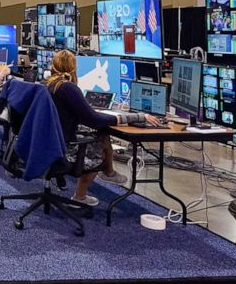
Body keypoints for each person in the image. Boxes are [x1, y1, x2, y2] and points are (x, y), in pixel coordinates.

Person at [46, 50, 159, 206]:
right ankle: (82, 194)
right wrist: (136, 117)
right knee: (99, 141)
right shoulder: (68, 88)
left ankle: (108, 172)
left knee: (100, 134)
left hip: (48, 145)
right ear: (73, 68)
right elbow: (95, 120)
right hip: (65, 149)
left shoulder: (48, 85)